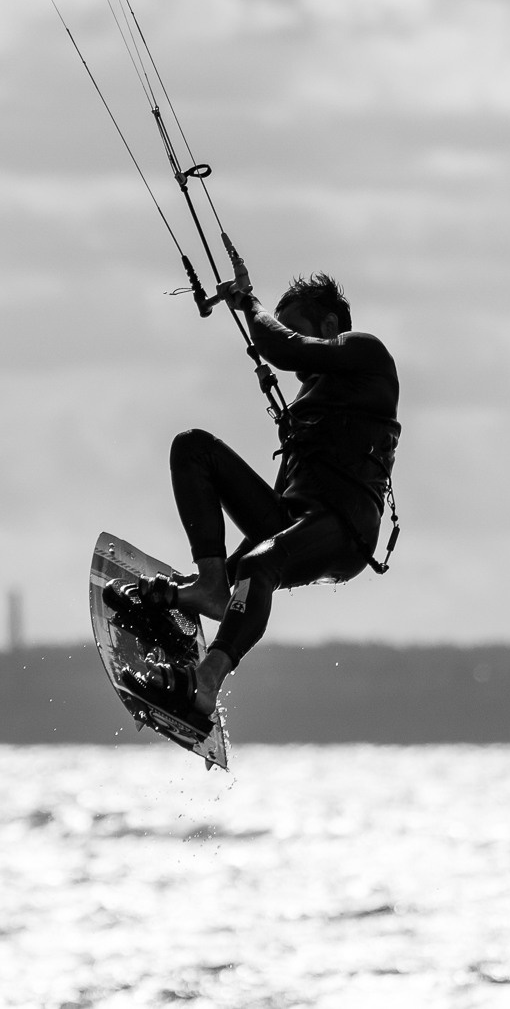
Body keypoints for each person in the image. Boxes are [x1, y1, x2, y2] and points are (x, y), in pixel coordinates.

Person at [110, 272, 399, 726]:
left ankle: (206, 682)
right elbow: (277, 510)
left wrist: (250, 304)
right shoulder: (310, 397)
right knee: (193, 448)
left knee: (260, 566)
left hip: (346, 528)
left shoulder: (366, 353)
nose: (285, 334)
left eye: (293, 325)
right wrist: (225, 576)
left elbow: (284, 349)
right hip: (298, 518)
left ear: (328, 326)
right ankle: (208, 586)